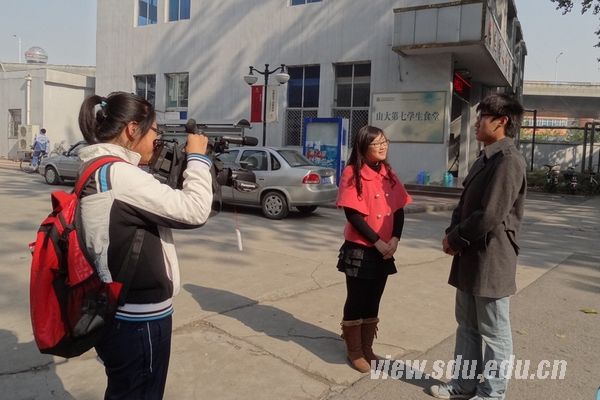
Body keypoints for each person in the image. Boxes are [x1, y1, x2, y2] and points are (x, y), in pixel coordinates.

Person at [77, 92, 213, 399]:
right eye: (155, 130)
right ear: (132, 129)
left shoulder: (99, 168)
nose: (157, 139)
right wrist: (197, 158)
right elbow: (195, 210)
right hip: (138, 320)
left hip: (118, 312)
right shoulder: (119, 174)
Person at [429, 93, 526, 400]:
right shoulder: (485, 158)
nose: (476, 123)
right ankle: (463, 385)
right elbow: (464, 205)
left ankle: (491, 394)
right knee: (468, 326)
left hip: (491, 258)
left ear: (501, 121)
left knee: (494, 333)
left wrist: (455, 238)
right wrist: (452, 233)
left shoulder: (508, 161)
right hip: (470, 254)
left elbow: (490, 214)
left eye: (482, 117)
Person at [336, 125, 412, 372]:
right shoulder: (352, 172)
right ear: (363, 146)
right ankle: (354, 350)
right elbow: (353, 215)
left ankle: (367, 348)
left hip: (385, 249)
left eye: (385, 141)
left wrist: (395, 239)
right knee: (357, 299)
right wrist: (377, 241)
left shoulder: (389, 173)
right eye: (377, 143)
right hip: (361, 248)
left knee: (374, 299)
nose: (383, 146)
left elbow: (398, 209)